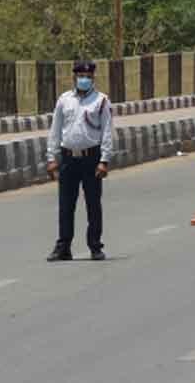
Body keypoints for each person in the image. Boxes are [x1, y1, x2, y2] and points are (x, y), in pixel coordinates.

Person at [46, 60, 113, 262]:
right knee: (66, 204)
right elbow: (55, 129)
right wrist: (51, 157)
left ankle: (95, 246)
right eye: (81, 76)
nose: (84, 80)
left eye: (88, 77)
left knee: (93, 204)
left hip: (91, 158)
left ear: (93, 78)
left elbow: (107, 131)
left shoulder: (101, 101)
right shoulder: (64, 99)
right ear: (74, 77)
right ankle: (63, 247)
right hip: (68, 158)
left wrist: (104, 160)